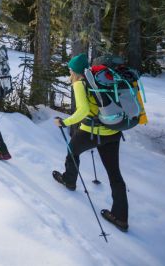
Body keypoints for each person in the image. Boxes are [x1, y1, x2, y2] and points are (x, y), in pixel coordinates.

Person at [52, 53, 129, 232]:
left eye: (70, 70)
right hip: (113, 131)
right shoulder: (101, 80)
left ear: (76, 71)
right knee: (114, 174)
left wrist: (64, 122)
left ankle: (69, 181)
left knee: (72, 151)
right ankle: (121, 218)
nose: (69, 74)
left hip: (92, 132)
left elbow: (83, 111)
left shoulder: (80, 84)